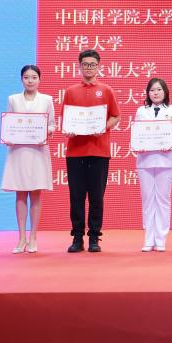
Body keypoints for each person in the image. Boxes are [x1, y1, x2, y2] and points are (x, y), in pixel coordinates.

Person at [63, 49, 120, 253]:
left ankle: (94, 237)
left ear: (98, 66)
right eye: (85, 64)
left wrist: (102, 127)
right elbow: (66, 119)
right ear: (79, 66)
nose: (89, 68)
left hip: (99, 151)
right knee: (76, 197)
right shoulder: (70, 91)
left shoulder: (106, 90)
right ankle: (77, 237)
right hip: (75, 152)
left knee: (96, 197)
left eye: (92, 64)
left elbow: (116, 116)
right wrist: (69, 129)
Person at [1, 65, 56, 254]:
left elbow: (52, 125)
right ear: (21, 79)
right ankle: (21, 238)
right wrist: (7, 136)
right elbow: (8, 123)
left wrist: (44, 131)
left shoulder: (47, 100)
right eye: (26, 77)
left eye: (34, 77)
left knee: (35, 193)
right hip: (18, 151)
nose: (30, 80)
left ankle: (33, 237)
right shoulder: (13, 99)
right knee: (20, 194)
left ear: (39, 79)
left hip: (37, 152)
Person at [134, 78, 172, 253]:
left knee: (163, 199)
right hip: (145, 161)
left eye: (159, 90)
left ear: (165, 92)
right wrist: (138, 145)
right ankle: (148, 238)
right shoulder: (141, 111)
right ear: (148, 93)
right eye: (152, 90)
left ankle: (161, 238)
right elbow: (137, 134)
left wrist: (171, 143)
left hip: (166, 160)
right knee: (147, 199)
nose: (155, 93)